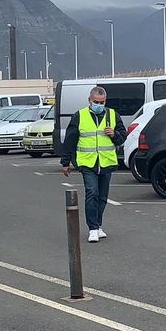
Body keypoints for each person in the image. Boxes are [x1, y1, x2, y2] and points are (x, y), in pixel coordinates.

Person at [60, 86, 126, 243]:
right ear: (89, 101)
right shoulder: (80, 116)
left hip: (106, 161)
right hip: (87, 162)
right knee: (92, 193)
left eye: (102, 102)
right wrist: (65, 162)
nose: (99, 104)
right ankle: (93, 228)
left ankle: (98, 224)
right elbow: (70, 140)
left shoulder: (112, 115)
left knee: (102, 196)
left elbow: (122, 137)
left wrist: (114, 134)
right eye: (96, 101)